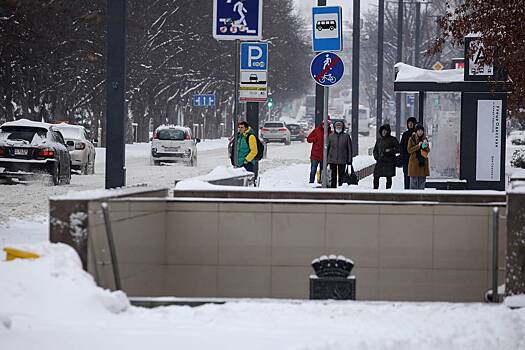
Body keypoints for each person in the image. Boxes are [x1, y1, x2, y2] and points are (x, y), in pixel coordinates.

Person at [373, 124, 400, 189]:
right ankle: (375, 190)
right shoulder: (379, 140)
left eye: (385, 130)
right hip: (380, 161)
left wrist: (390, 150)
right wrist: (376, 157)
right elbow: (375, 150)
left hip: (389, 162)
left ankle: (388, 191)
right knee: (376, 176)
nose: (384, 132)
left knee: (388, 177)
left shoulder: (393, 139)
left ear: (388, 131)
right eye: (383, 131)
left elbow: (398, 149)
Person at [327, 120, 353, 188]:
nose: (338, 127)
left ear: (342, 127)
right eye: (337, 125)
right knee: (333, 175)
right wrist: (327, 160)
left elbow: (349, 149)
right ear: (334, 126)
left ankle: (341, 187)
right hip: (332, 159)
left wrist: (349, 160)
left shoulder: (346, 136)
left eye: (340, 125)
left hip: (343, 159)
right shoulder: (330, 136)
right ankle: (333, 188)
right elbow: (327, 148)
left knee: (342, 175)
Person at [407, 123, 430, 189]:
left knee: (422, 182)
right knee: (413, 182)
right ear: (416, 131)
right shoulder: (412, 139)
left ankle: (421, 197)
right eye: (419, 130)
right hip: (414, 163)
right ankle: (413, 197)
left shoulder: (425, 139)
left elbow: (427, 150)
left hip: (422, 163)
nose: (420, 132)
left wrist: (425, 146)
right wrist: (418, 146)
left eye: (421, 131)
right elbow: (409, 150)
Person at [400, 117, 418, 189]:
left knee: (414, 177)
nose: (410, 125)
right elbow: (401, 146)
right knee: (406, 176)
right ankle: (407, 190)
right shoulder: (405, 134)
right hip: (406, 159)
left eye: (412, 123)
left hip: (414, 159)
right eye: (409, 123)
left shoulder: (417, 134)